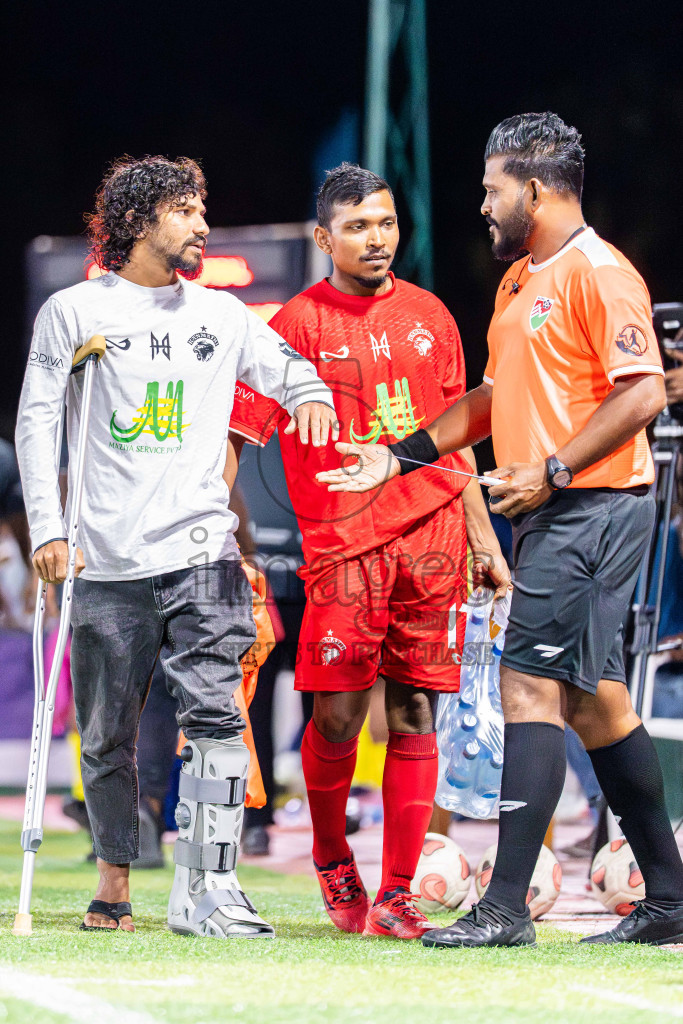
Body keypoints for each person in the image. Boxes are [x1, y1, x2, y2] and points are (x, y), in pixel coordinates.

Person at [318, 114, 683, 948]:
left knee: (526, 687)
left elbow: (643, 395)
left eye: (490, 189)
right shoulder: (519, 280)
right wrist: (399, 455)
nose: (481, 204)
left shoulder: (599, 272)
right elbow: (489, 399)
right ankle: (666, 898)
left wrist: (552, 469)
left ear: (533, 188)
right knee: (596, 705)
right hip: (553, 509)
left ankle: (504, 906)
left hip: (589, 507)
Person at [15, 155, 337, 937]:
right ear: (137, 222)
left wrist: (312, 394)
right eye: (186, 211)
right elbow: (37, 420)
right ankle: (115, 881)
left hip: (206, 556)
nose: (201, 225)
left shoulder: (223, 316)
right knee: (106, 735)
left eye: (201, 210)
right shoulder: (71, 311)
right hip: (106, 559)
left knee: (219, 716)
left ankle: (210, 888)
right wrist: (49, 530)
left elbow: (287, 368)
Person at [229, 163, 510, 940]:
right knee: (340, 713)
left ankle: (396, 893)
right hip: (343, 545)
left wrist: (483, 538)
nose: (375, 238)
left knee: (416, 705)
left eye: (384, 223)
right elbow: (238, 434)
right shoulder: (290, 326)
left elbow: (457, 440)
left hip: (430, 536)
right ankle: (331, 861)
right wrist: (223, 530)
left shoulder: (431, 316)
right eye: (356, 226)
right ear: (324, 238)